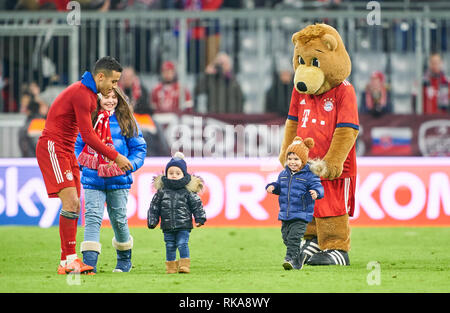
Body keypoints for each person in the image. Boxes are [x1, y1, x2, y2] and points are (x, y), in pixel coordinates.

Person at [35, 56, 133, 275]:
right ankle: (69, 260)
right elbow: (88, 135)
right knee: (71, 203)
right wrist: (115, 156)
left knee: (75, 205)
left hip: (66, 149)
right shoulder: (83, 95)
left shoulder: (87, 93)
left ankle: (66, 261)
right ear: (100, 77)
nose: (114, 87)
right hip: (54, 147)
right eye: (114, 82)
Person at [74, 87, 147, 274]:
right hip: (93, 179)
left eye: (114, 97)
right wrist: (83, 164)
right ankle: (89, 264)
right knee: (92, 219)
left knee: (119, 220)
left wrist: (129, 165)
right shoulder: (88, 119)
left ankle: (124, 261)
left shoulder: (127, 120)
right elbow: (77, 145)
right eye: (106, 96)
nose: (110, 100)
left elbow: (139, 149)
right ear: (97, 98)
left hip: (118, 180)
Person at [266, 137, 324, 270]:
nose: (292, 162)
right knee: (286, 237)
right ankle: (299, 258)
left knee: (293, 238)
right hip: (285, 214)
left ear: (303, 160)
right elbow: (280, 187)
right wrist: (273, 187)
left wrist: (316, 192)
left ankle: (290, 259)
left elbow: (318, 186)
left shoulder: (310, 174)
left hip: (301, 214)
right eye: (290, 159)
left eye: (296, 159)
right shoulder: (283, 174)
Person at [147, 152, 206, 274]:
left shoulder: (187, 191)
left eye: (177, 173)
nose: (174, 175)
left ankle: (184, 265)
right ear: (166, 174)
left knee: (182, 243)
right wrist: (152, 220)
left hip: (184, 224)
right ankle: (171, 267)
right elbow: (154, 207)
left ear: (183, 174)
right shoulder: (162, 192)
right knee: (169, 245)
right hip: (167, 225)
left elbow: (197, 205)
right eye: (171, 173)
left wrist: (200, 218)